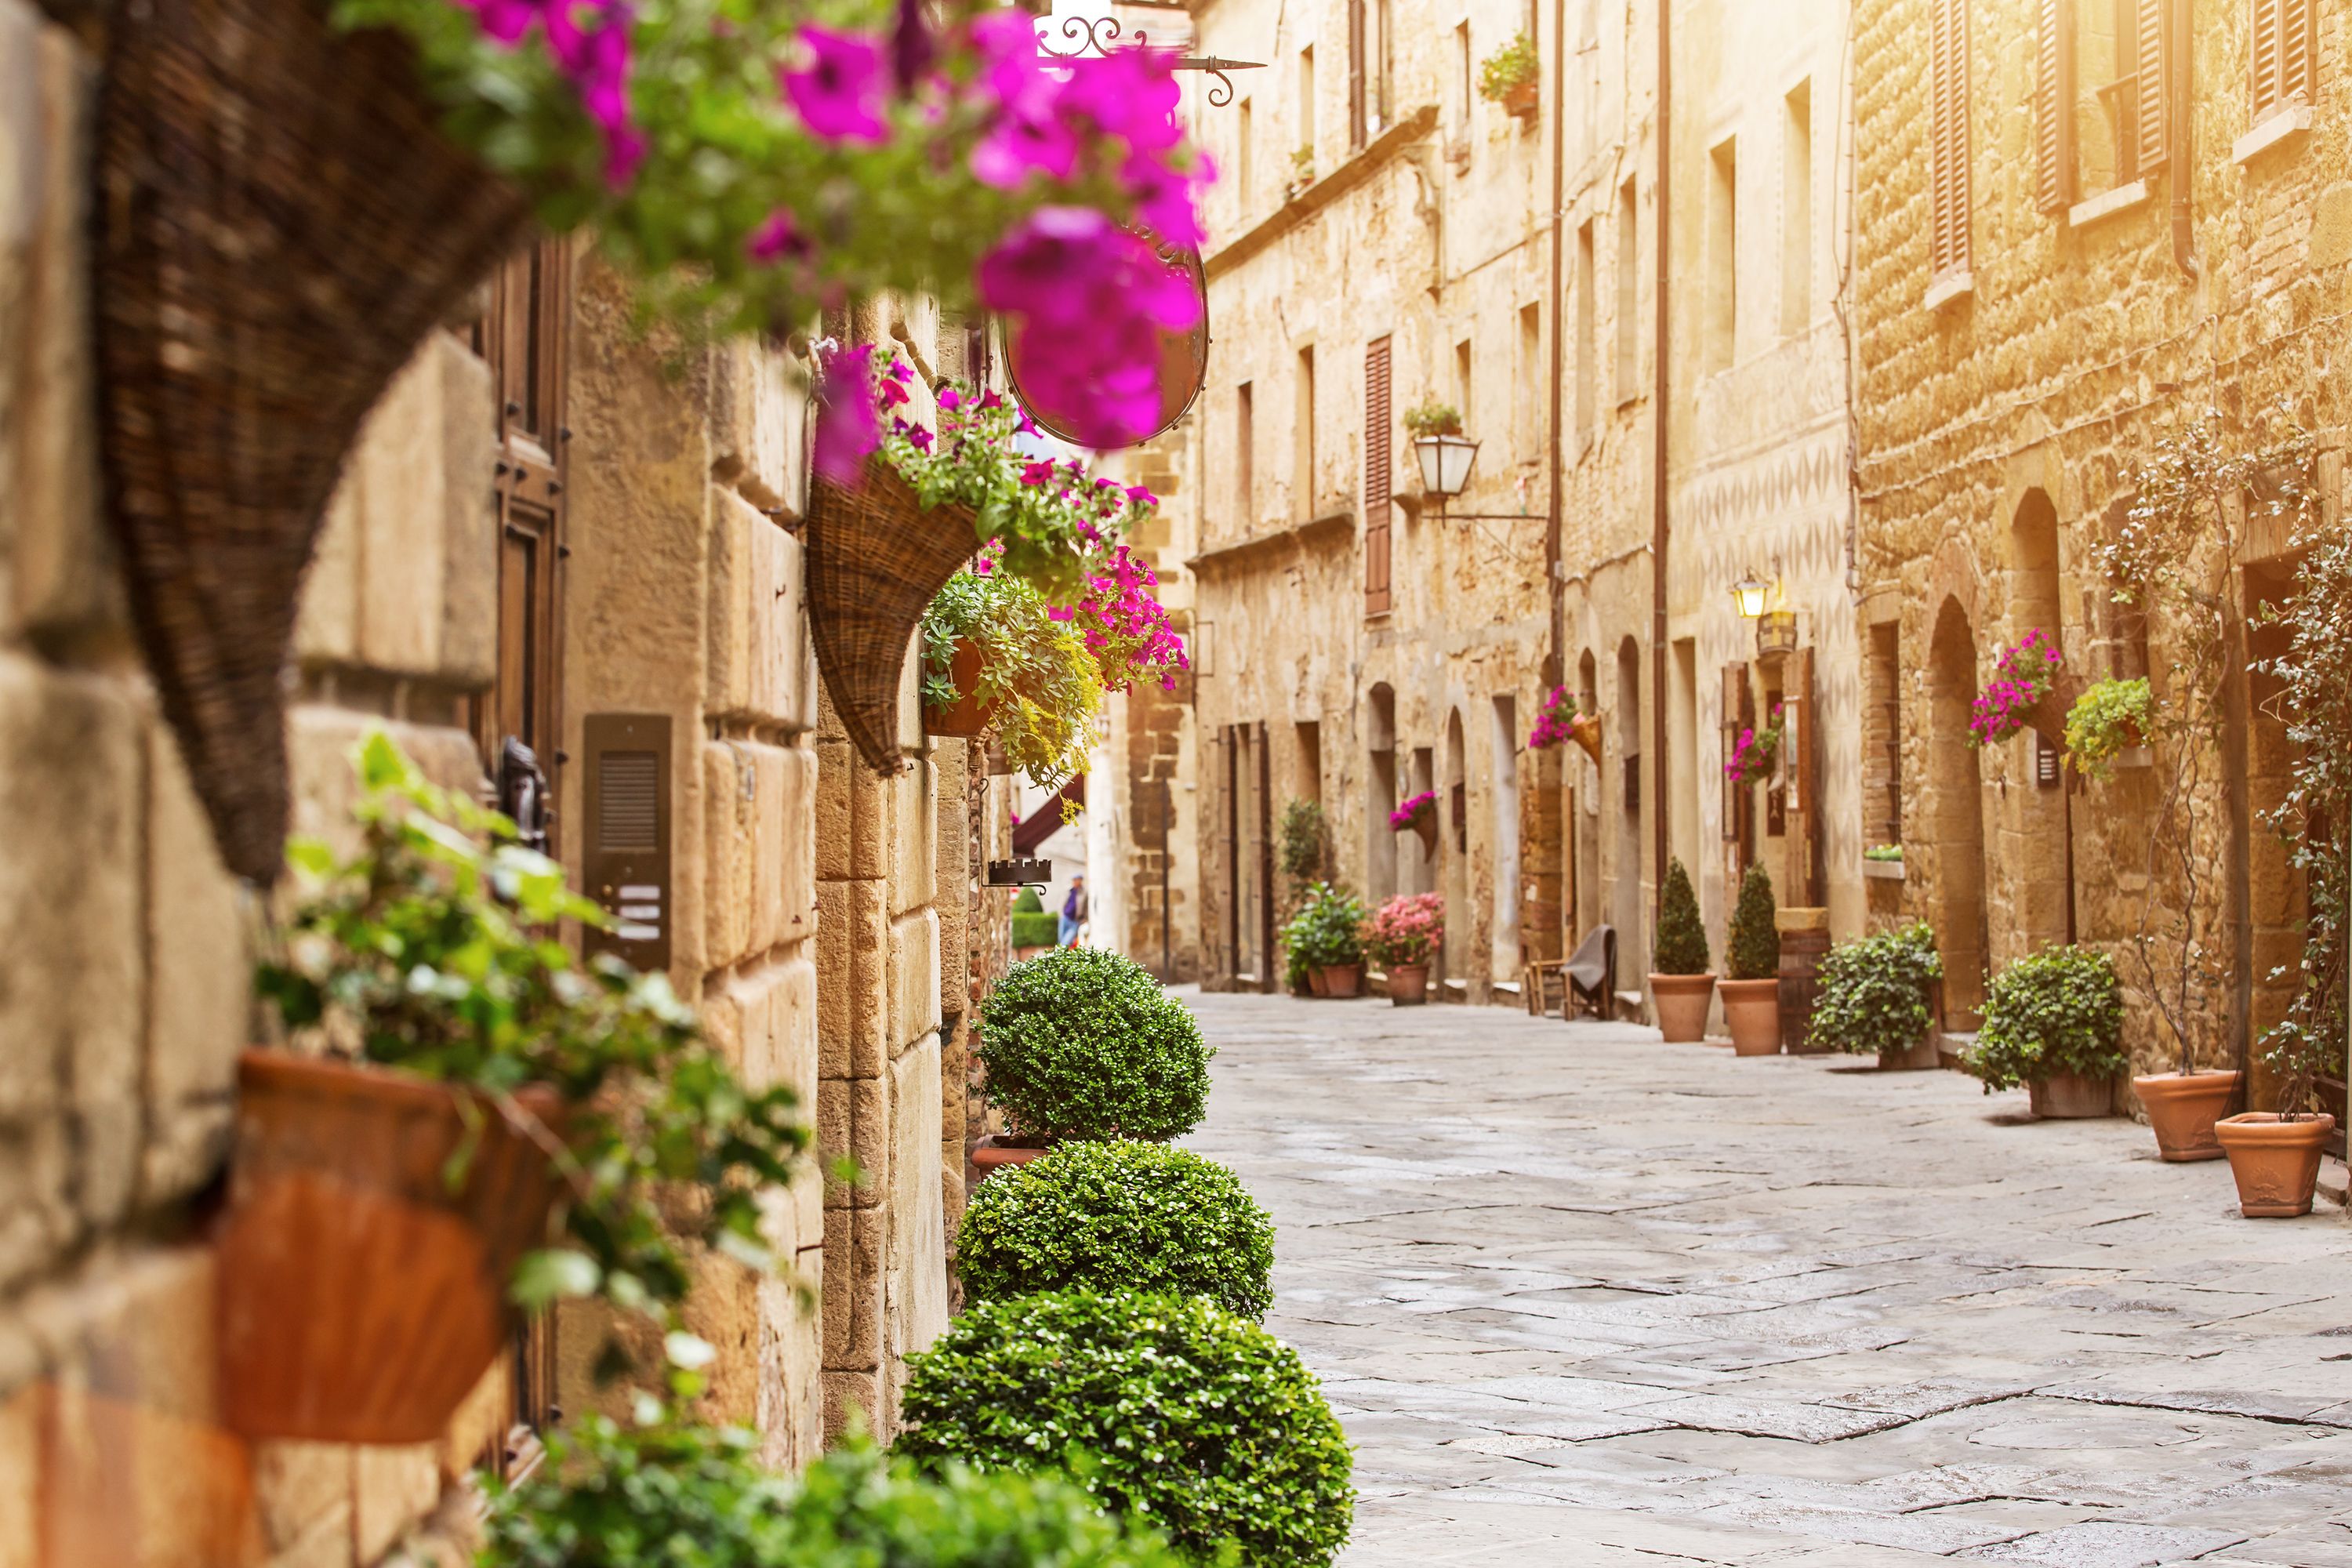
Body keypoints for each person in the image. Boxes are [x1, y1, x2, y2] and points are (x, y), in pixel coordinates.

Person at [1058, 875, 1087, 949]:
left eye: (1077, 880)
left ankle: (1060, 955)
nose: (1075, 882)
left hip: (1075, 921)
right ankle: (1061, 956)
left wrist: (1085, 919)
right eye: (1074, 880)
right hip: (1065, 918)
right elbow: (1062, 903)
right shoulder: (1069, 890)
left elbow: (1086, 907)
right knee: (1061, 939)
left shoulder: (1084, 892)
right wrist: (1061, 915)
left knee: (1066, 941)